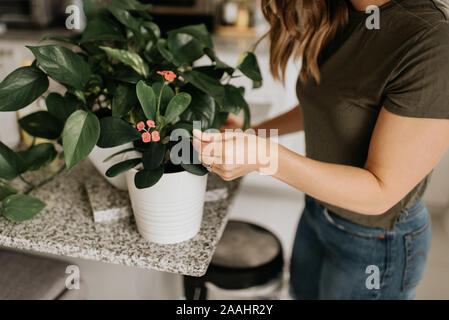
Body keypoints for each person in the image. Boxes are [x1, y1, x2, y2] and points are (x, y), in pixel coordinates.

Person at [192, 0, 449, 299]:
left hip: (376, 241)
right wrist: (252, 133)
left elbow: (381, 191)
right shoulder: (340, 11)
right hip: (317, 212)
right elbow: (329, 105)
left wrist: (266, 158)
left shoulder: (432, 42)